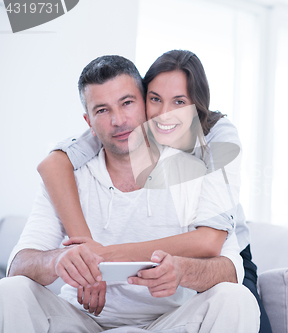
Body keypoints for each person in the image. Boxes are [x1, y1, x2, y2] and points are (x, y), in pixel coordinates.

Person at [0, 55, 260, 332]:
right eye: (102, 110)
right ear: (88, 121)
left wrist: (183, 270)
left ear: (144, 103)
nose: (118, 120)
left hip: (168, 322)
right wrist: (57, 260)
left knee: (236, 298)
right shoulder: (69, 174)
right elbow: (18, 265)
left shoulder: (198, 166)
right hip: (82, 320)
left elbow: (230, 268)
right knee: (11, 290)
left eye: (127, 103)